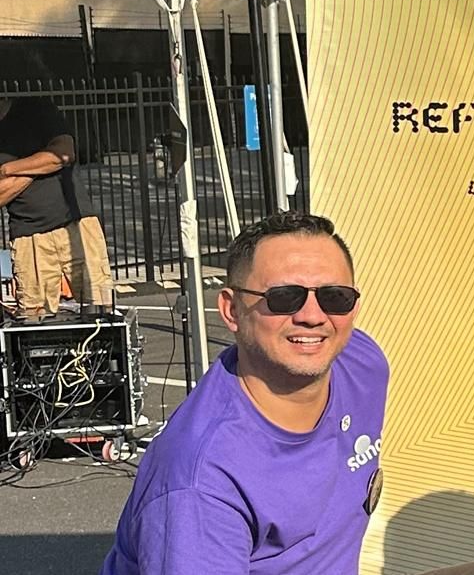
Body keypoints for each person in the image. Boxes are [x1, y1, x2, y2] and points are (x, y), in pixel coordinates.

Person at [103, 212, 388, 575]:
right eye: (284, 298)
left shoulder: (363, 364)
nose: (314, 317)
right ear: (231, 310)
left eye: (336, 297)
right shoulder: (201, 483)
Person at [0, 95, 115, 322]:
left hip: (77, 224)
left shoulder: (36, 108)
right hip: (28, 236)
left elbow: (63, 153)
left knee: (99, 311)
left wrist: (6, 170)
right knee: (33, 320)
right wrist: (41, 162)